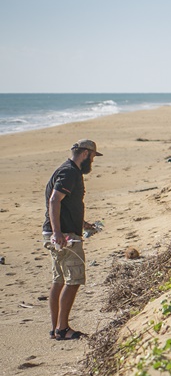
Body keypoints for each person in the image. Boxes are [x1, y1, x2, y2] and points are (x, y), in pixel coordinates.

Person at [42, 139, 102, 340]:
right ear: (85, 153)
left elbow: (65, 204)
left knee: (58, 280)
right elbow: (54, 200)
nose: (93, 161)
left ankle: (55, 328)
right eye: (93, 156)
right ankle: (63, 329)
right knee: (74, 280)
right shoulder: (69, 172)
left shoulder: (66, 170)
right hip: (65, 235)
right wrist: (58, 233)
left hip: (61, 232)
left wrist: (83, 223)